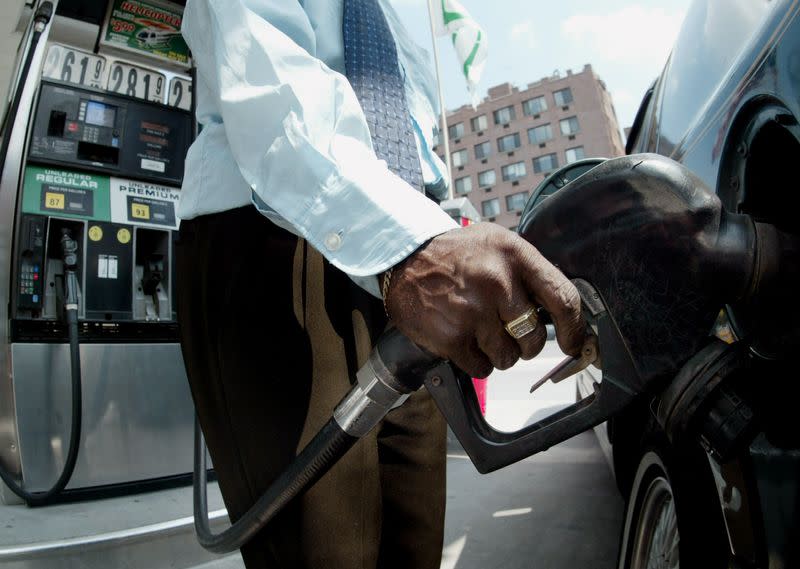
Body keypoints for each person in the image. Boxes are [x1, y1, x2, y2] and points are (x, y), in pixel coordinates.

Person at [175, 1, 586, 568]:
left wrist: (431, 236)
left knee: (414, 540)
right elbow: (273, 92)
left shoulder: (394, 15)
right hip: (284, 231)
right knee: (326, 549)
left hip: (410, 242)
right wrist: (409, 251)